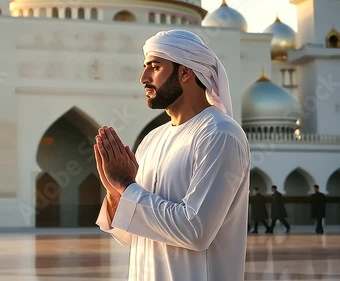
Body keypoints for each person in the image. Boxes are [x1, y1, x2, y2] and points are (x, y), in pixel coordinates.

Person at [94, 29, 250, 281]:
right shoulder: (152, 139)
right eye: (145, 67)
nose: (143, 78)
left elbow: (196, 230)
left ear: (185, 72)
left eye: (154, 67)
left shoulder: (219, 134)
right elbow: (131, 231)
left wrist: (127, 186)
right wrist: (115, 194)